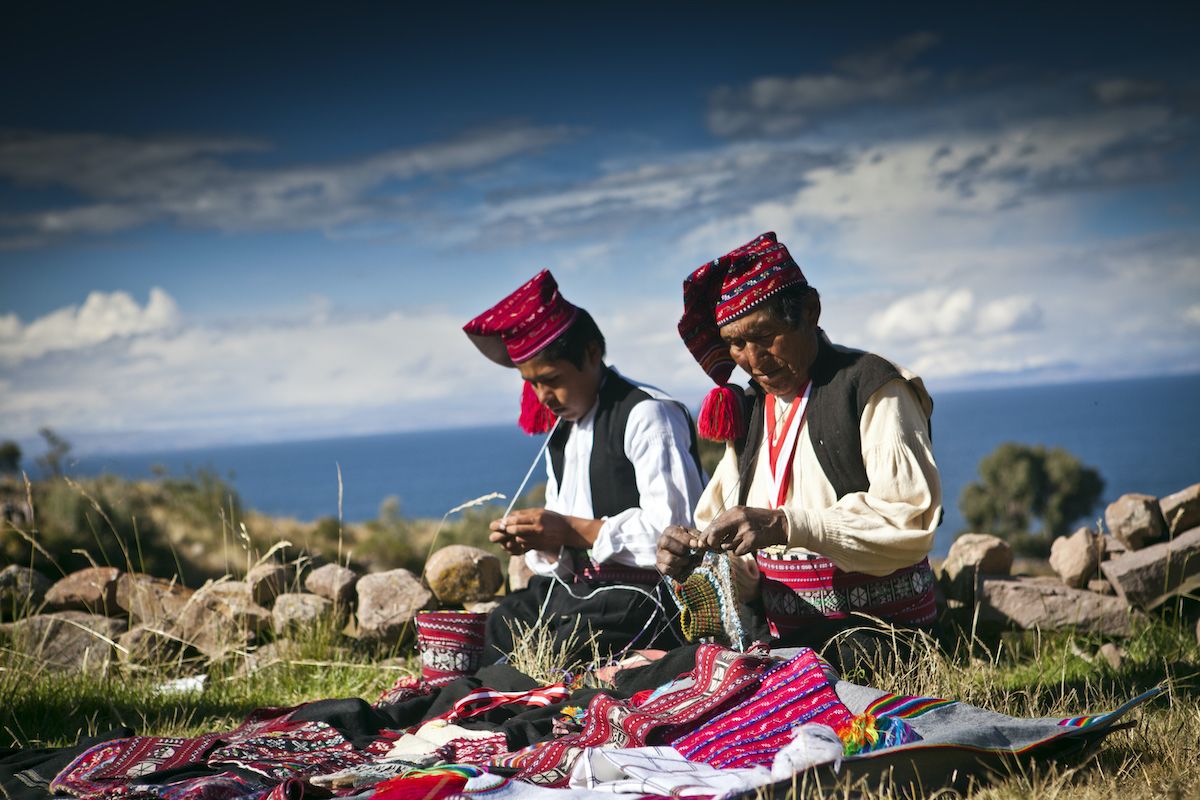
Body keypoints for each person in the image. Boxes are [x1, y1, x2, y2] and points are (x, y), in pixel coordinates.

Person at [657, 232, 941, 651]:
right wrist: (695, 558)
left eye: (765, 335)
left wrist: (784, 524)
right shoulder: (754, 409)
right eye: (736, 343)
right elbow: (745, 569)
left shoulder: (873, 388)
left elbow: (907, 523)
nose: (753, 361)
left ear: (810, 312)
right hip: (783, 640)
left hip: (878, 638)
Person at [463, 269, 705, 663]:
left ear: (592, 354)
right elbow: (562, 553)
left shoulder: (648, 415)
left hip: (645, 599)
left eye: (552, 379)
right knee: (503, 622)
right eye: (532, 383)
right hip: (581, 594)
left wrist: (571, 530)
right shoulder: (561, 435)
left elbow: (679, 537)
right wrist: (539, 540)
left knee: (568, 644)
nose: (543, 396)